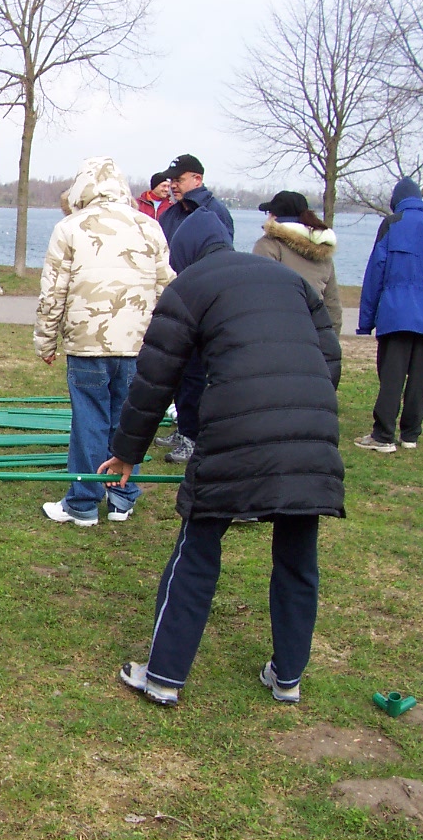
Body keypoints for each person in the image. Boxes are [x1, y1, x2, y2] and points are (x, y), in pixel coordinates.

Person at [97, 208, 343, 708]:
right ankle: (288, 678)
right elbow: (330, 357)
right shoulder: (290, 279)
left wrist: (126, 453)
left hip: (237, 430)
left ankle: (163, 676)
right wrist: (300, 412)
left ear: (185, 253)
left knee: (197, 548)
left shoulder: (188, 285)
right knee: (298, 557)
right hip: (311, 432)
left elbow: (154, 377)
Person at [34, 156, 173, 526]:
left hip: (87, 342)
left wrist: (46, 341)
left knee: (89, 420)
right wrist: (166, 343)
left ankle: (82, 502)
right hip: (138, 343)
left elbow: (53, 292)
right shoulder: (149, 227)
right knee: (129, 420)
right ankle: (122, 497)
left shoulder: (70, 228)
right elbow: (167, 288)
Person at [354, 177, 423, 453]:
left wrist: (366, 321)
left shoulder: (391, 224)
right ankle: (410, 435)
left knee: (392, 378)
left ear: (396, 201)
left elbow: (375, 273)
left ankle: (383, 435)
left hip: (395, 314)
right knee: (420, 380)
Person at [154, 154, 235, 464]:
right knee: (177, 368)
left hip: (201, 301)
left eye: (179, 179)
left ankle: (194, 436)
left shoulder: (214, 213)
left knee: (196, 372)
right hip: (174, 298)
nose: (173, 185)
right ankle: (183, 427)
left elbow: (221, 258)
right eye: (171, 180)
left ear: (197, 179)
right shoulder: (172, 214)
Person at [252, 191, 342, 333]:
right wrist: (331, 339)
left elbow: (259, 294)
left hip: (279, 331)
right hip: (314, 331)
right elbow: (332, 304)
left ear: (274, 216)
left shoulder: (268, 245)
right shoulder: (323, 251)